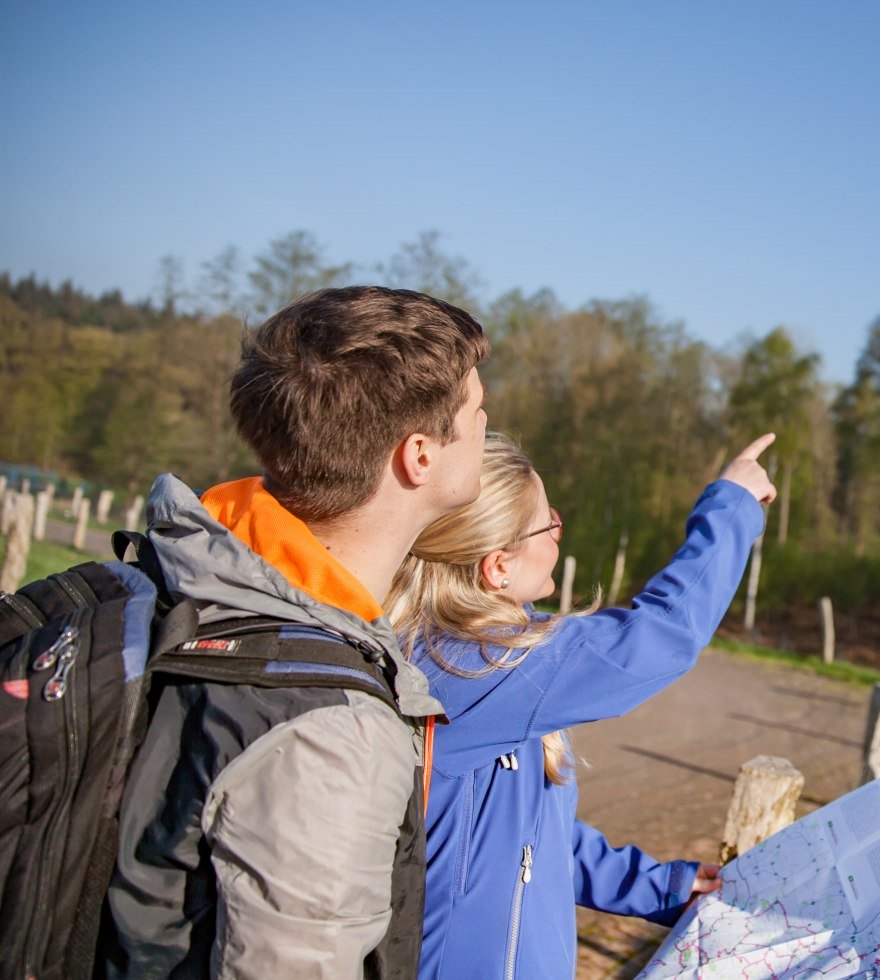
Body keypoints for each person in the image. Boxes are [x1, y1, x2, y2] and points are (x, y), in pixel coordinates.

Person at [104, 286, 490, 978]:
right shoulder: (331, 734)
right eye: (478, 410)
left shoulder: (176, 571)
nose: (489, 423)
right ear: (420, 456)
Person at [385, 431, 775, 980]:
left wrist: (658, 887)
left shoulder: (473, 665)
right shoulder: (466, 671)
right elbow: (656, 641)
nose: (558, 538)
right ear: (497, 566)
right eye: (550, 524)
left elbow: (528, 839)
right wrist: (731, 505)